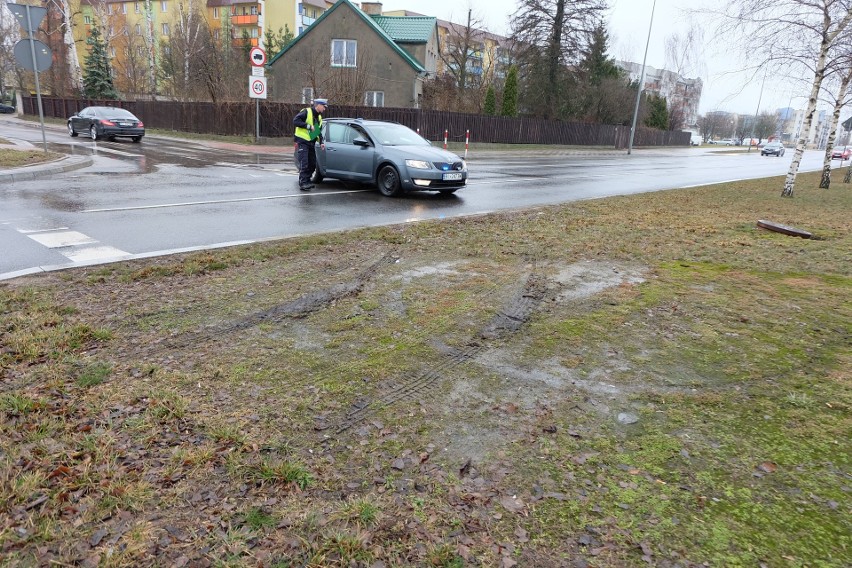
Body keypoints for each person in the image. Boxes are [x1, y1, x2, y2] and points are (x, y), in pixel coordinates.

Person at [293, 98, 327, 191]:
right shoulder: (306, 112)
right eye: (323, 106)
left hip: (311, 142)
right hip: (302, 141)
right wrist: (308, 126)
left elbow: (317, 131)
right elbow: (295, 121)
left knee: (312, 164)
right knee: (304, 163)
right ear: (318, 105)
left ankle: (307, 181)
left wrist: (321, 142)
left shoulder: (319, 117)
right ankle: (303, 183)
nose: (324, 109)